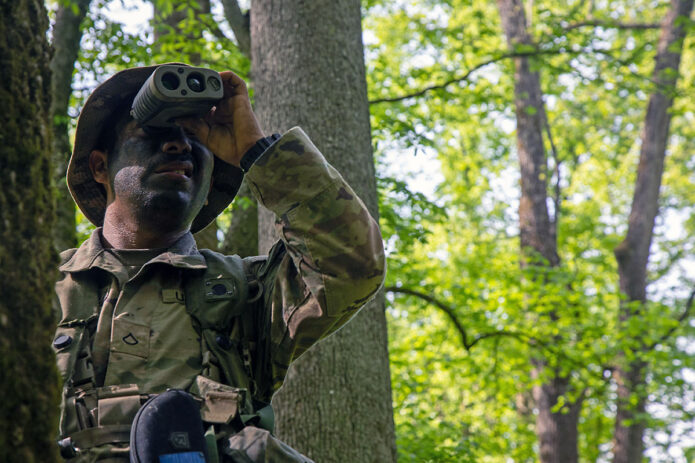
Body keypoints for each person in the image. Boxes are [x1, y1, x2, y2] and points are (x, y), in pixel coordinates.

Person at [52, 64, 385, 462]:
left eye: (194, 138)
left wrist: (255, 151)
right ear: (100, 166)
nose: (179, 146)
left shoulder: (248, 290)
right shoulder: (38, 291)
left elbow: (351, 266)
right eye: (155, 132)